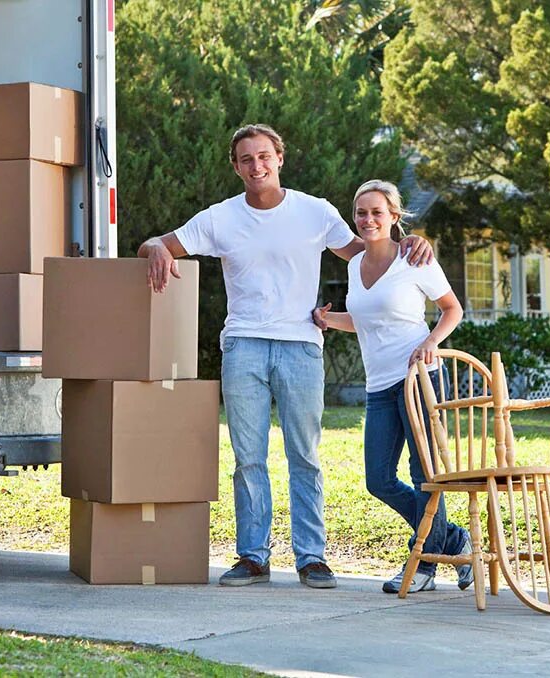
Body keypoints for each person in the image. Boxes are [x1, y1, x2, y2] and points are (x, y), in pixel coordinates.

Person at [138, 124, 432, 589]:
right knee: (248, 457)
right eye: (246, 159)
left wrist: (413, 242)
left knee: (305, 455)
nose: (256, 166)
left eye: (264, 156)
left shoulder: (314, 212)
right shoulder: (220, 218)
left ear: (280, 159)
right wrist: (154, 246)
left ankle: (311, 557)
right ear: (236, 167)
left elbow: (370, 251)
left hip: (300, 346)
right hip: (243, 346)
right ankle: (253, 556)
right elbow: (158, 244)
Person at [312, 180, 473, 593]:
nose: (368, 220)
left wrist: (429, 342)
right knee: (378, 479)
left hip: (419, 381)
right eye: (361, 213)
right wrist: (329, 320)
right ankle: (452, 540)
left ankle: (423, 566)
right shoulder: (353, 265)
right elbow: (366, 320)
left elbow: (452, 309)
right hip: (379, 385)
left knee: (425, 477)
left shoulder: (413, 259)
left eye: (377, 213)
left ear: (394, 218)